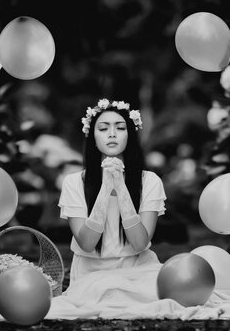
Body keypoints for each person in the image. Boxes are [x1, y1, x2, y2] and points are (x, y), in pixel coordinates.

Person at [58, 98, 166, 284]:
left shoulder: (150, 181)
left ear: (130, 135)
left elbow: (140, 244)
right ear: (93, 136)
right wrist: (106, 187)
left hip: (138, 269)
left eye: (120, 127)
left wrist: (121, 186)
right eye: (103, 128)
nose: (112, 134)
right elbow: (87, 243)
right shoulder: (73, 182)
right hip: (90, 274)